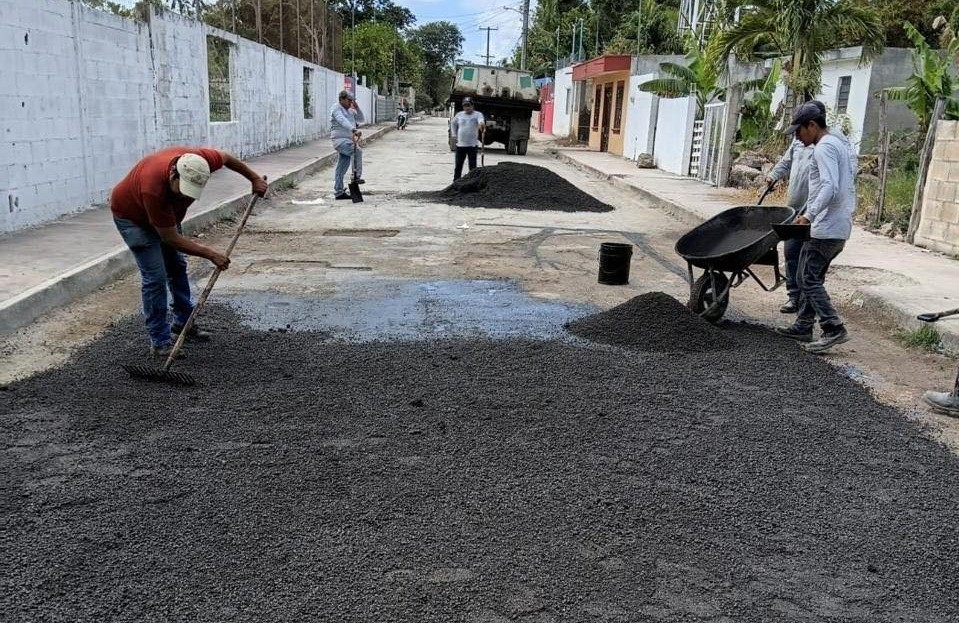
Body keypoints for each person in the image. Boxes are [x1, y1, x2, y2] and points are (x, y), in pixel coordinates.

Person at [111, 147, 268, 357]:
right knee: (155, 278)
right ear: (173, 174)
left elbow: (227, 158)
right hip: (133, 219)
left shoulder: (200, 162)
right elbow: (170, 238)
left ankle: (184, 322)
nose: (186, 194)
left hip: (166, 217)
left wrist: (254, 179)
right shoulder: (153, 187)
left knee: (177, 266)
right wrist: (211, 254)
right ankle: (160, 341)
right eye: (183, 188)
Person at [774, 101, 855, 353]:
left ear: (812, 125)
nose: (797, 136)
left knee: (807, 277)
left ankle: (833, 327)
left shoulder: (824, 148)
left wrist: (808, 215)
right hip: (835, 224)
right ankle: (804, 324)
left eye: (800, 130)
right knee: (811, 276)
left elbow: (829, 187)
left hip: (827, 227)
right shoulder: (835, 144)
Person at [330, 89, 365, 199]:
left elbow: (361, 119)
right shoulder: (336, 108)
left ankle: (339, 192)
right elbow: (341, 120)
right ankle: (356, 177)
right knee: (357, 151)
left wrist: (357, 107)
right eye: (348, 100)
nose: (350, 103)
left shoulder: (350, 111)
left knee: (342, 167)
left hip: (348, 140)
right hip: (339, 140)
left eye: (352, 101)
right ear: (341, 99)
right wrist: (353, 129)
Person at [450, 97, 486, 180]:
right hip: (460, 145)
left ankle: (472, 183)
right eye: (465, 106)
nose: (467, 107)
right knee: (458, 166)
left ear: (472, 105)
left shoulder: (477, 114)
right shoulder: (459, 115)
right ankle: (456, 183)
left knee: (472, 167)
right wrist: (454, 134)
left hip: (472, 146)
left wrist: (481, 124)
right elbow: (453, 124)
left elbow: (481, 121)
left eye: (468, 105)